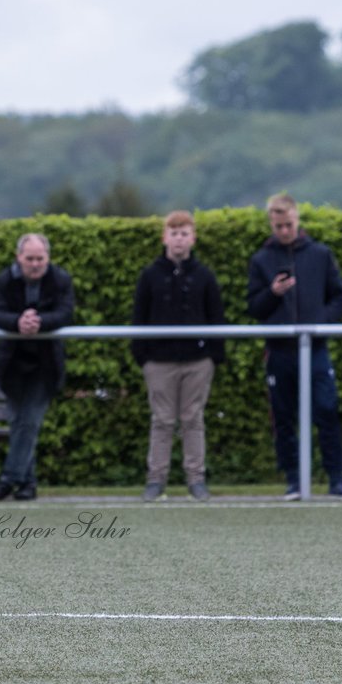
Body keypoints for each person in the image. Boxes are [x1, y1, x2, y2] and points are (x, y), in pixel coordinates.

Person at [247, 193, 342, 502]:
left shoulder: (321, 254)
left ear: (297, 220)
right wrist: (273, 293)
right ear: (271, 224)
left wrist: (319, 323)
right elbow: (255, 307)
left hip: (315, 350)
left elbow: (339, 297)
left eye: (288, 224)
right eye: (278, 225)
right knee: (284, 416)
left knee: (326, 410)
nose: (284, 230)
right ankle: (294, 481)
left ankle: (337, 480)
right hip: (280, 351)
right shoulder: (261, 260)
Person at [131, 211, 226, 503]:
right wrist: (143, 356)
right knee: (162, 420)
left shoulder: (204, 275)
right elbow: (139, 316)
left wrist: (213, 355)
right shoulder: (150, 275)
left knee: (192, 418)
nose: (179, 239)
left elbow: (216, 316)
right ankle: (156, 479)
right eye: (174, 233)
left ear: (193, 237)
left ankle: (196, 478)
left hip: (197, 360)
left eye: (184, 233)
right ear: (165, 237)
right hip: (159, 360)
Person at [0, 233, 75, 501]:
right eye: (30, 259)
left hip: (45, 365)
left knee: (30, 421)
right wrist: (18, 322)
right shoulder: (4, 280)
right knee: (18, 423)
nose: (35, 264)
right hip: (12, 364)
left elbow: (65, 313)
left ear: (48, 258)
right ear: (19, 258)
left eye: (40, 259)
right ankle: (27, 484)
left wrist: (39, 322)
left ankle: (8, 478)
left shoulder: (61, 280)